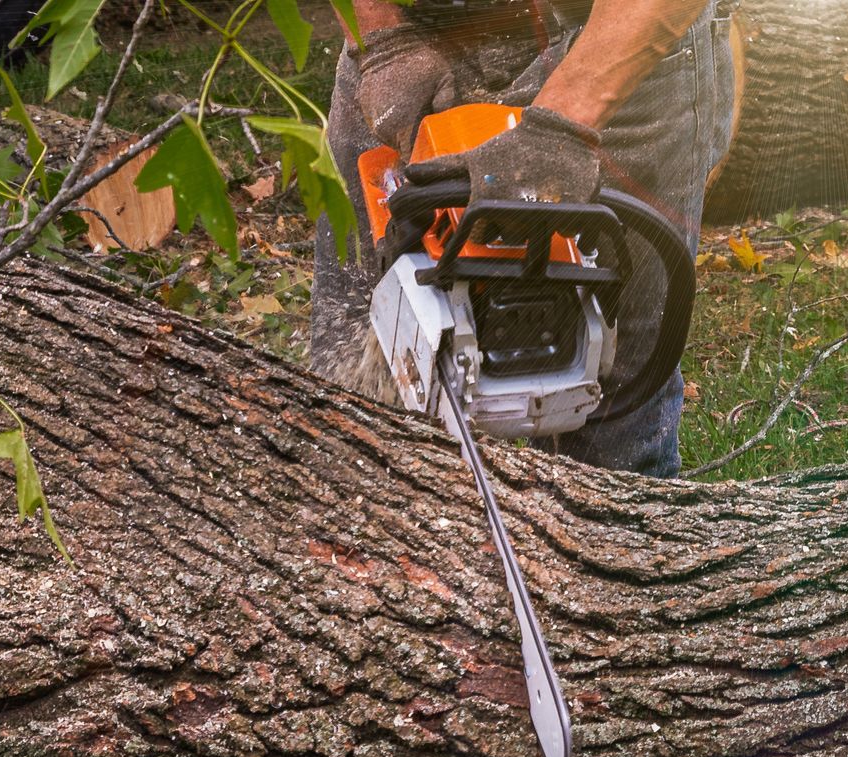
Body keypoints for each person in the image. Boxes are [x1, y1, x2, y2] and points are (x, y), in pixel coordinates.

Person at [312, 0, 734, 478]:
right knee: (352, 395)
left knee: (612, 424)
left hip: (613, 38)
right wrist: (382, 37)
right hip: (406, 31)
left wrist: (565, 125)